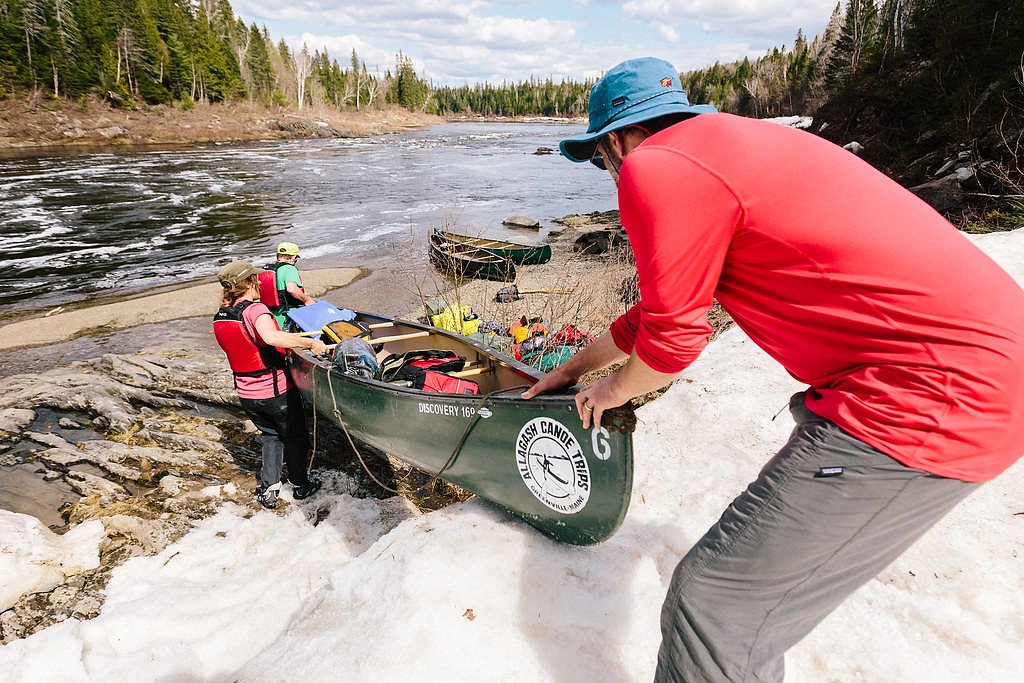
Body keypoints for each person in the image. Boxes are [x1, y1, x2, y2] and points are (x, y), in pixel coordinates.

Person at [522, 57, 1024, 681]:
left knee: (716, 608)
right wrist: (572, 368)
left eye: (602, 159)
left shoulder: (656, 167)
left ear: (622, 140)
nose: (609, 174)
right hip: (976, 367)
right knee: (737, 612)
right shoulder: (732, 147)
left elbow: (673, 343)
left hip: (929, 391)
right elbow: (653, 314)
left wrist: (613, 390)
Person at [213, 259, 328, 509]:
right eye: (255, 279)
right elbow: (270, 337)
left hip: (247, 394)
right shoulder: (255, 310)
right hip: (275, 391)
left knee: (270, 436)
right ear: (249, 283)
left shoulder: (221, 316)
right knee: (295, 437)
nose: (259, 283)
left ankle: (270, 488)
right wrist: (310, 343)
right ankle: (300, 485)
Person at [267, 241, 316, 330]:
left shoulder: (268, 270)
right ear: (294, 257)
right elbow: (291, 289)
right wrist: (307, 300)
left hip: (272, 315)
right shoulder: (289, 269)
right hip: (289, 314)